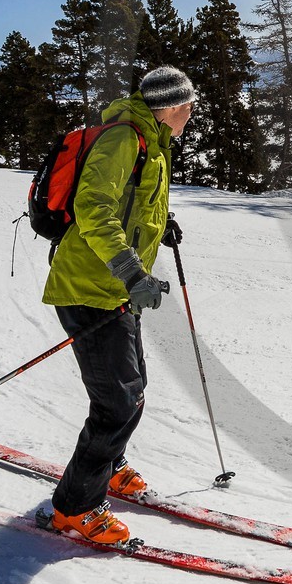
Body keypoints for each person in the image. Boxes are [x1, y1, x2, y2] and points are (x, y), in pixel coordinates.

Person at [41, 65, 196, 544]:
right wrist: (131, 272)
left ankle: (108, 465)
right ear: (170, 106)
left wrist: (159, 223)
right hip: (91, 286)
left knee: (132, 388)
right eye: (188, 105)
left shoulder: (151, 142)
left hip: (114, 289)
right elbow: (93, 208)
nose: (191, 113)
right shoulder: (125, 138)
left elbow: (132, 202)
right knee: (118, 401)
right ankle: (75, 508)